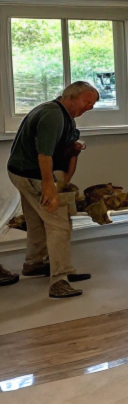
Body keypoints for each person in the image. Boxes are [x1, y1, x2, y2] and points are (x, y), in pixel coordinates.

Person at [6, 81, 98, 298]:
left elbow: (61, 147)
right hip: (33, 175)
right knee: (59, 224)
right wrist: (50, 189)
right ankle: (60, 279)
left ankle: (34, 263)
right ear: (70, 97)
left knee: (36, 220)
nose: (91, 107)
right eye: (87, 101)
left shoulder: (61, 114)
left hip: (20, 172)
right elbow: (44, 155)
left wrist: (75, 147)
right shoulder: (53, 116)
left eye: (93, 103)